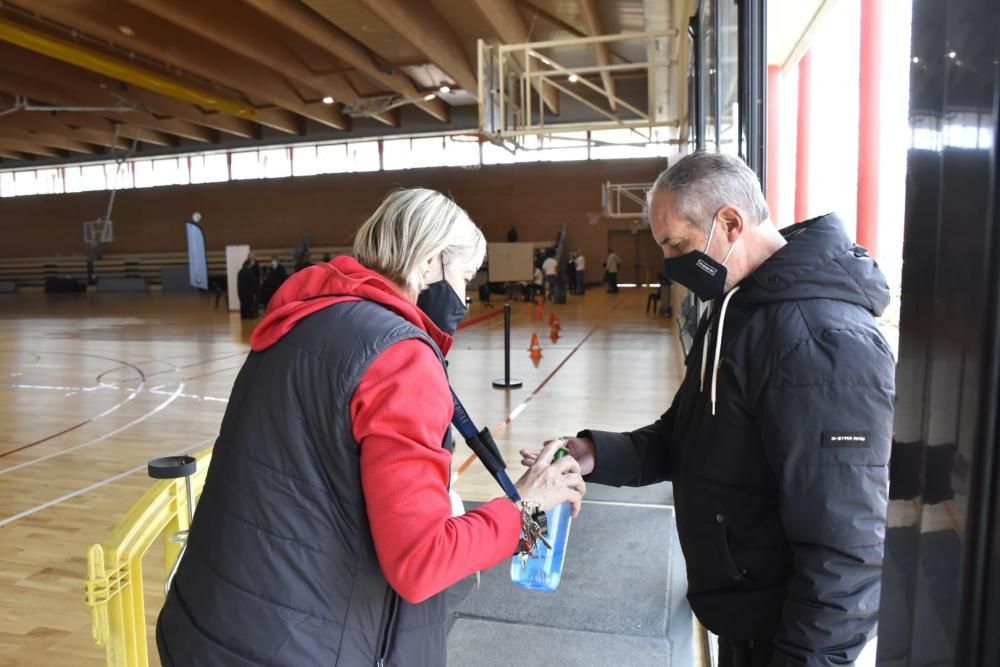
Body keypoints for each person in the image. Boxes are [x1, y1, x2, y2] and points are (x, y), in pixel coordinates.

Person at [156, 188, 586, 666]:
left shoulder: (300, 319)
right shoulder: (400, 357)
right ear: (428, 263)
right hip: (296, 645)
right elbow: (420, 563)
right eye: (464, 276)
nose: (465, 296)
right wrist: (528, 511)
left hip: (206, 626)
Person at [522, 152, 895, 666]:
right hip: (739, 617)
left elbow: (847, 551)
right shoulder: (733, 312)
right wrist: (593, 453)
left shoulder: (820, 342)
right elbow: (683, 438)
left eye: (678, 244)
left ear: (730, 223)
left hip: (786, 639)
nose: (672, 263)